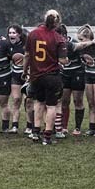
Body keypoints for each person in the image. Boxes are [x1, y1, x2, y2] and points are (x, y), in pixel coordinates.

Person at [25, 9, 69, 145]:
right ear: (58, 22)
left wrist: (24, 71)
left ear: (45, 18)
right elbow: (62, 60)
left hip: (36, 75)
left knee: (39, 103)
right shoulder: (58, 38)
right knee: (51, 106)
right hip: (51, 76)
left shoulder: (32, 34)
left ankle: (35, 133)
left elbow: (27, 55)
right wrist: (66, 59)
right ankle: (47, 136)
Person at [56, 24, 84, 138]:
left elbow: (83, 57)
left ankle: (77, 127)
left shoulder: (74, 44)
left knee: (78, 101)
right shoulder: (56, 45)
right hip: (64, 75)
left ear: (64, 35)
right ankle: (64, 127)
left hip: (77, 74)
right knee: (64, 101)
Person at [5, 25, 28, 133]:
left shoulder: (26, 45)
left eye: (13, 33)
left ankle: (30, 126)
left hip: (27, 76)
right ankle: (14, 126)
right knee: (16, 100)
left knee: (28, 102)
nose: (11, 35)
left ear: (19, 34)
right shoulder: (8, 46)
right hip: (15, 76)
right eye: (10, 33)